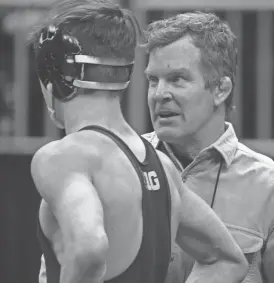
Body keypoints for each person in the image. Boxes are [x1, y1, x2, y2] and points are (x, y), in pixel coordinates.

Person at [31, 1, 248, 283]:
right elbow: (229, 259)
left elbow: (89, 249)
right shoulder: (164, 168)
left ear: (54, 82)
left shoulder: (64, 157)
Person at [142, 11, 274, 283]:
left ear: (220, 90)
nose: (159, 94)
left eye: (177, 78)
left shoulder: (268, 188)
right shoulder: (119, 164)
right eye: (153, 80)